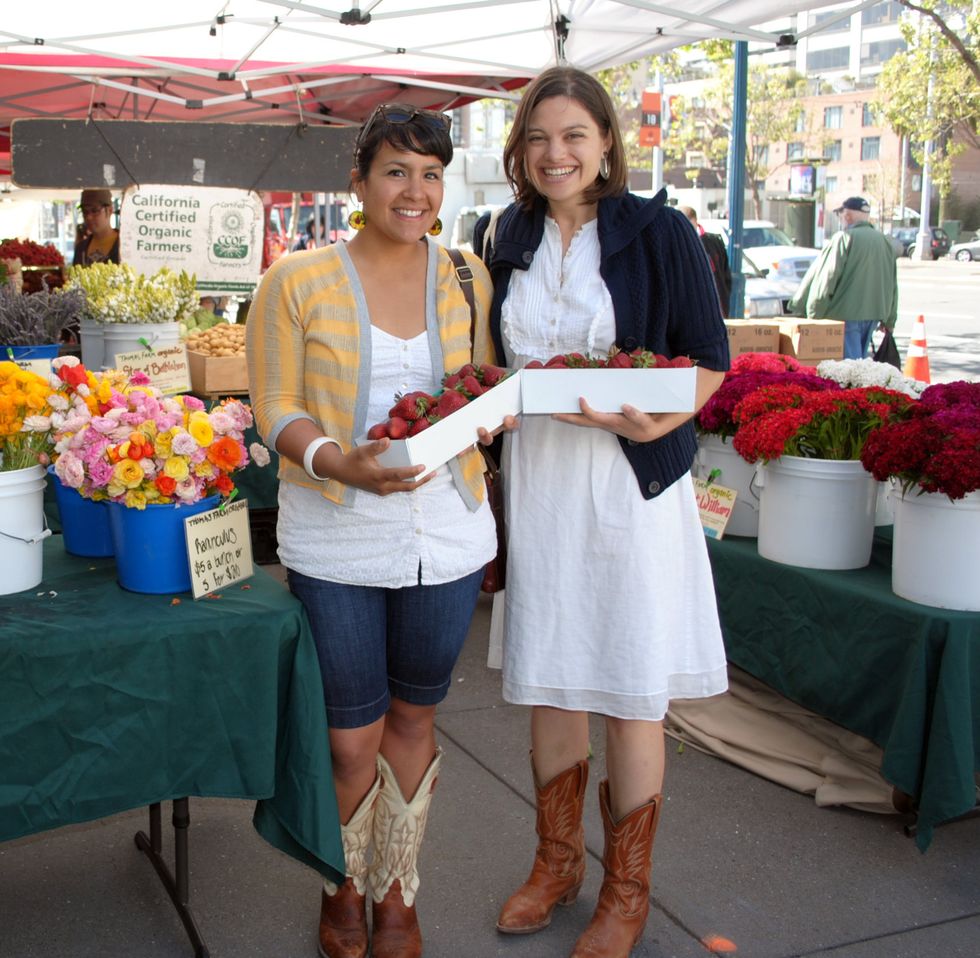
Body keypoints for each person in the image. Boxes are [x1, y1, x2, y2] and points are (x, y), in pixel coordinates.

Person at [472, 67, 730, 958]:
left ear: (608, 142)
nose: (557, 153)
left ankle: (626, 890)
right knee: (550, 674)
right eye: (540, 138)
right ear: (521, 150)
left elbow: (710, 358)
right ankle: (556, 864)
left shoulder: (660, 231)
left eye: (575, 135)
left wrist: (664, 412)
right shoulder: (506, 232)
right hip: (542, 478)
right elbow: (496, 361)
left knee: (628, 686)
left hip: (628, 481)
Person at [246, 103, 500, 958]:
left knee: (413, 720)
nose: (415, 191)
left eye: (431, 173)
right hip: (339, 533)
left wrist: (487, 411)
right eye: (396, 170)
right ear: (358, 181)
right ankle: (341, 883)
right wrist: (332, 459)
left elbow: (475, 383)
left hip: (449, 534)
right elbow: (274, 406)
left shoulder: (468, 274)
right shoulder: (297, 279)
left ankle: (397, 888)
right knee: (348, 735)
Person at [788, 196, 898, 360]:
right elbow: (892, 284)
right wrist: (890, 320)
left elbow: (826, 280)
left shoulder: (844, 238)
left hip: (845, 315)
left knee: (848, 369)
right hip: (874, 314)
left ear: (847, 215)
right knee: (860, 364)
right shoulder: (884, 241)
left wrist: (814, 314)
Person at [679, 205, 732, 317]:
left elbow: (726, 276)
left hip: (716, 307)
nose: (690, 234)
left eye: (692, 228)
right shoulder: (676, 246)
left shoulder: (713, 243)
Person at [72, 189, 120, 266]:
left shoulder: (124, 244)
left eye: (95, 211)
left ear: (110, 210)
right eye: (85, 211)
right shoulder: (80, 249)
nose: (89, 217)